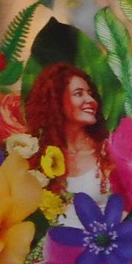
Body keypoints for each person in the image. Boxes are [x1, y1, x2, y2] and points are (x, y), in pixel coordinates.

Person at [25, 63, 110, 197]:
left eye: (90, 94)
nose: (90, 100)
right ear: (56, 100)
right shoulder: (36, 156)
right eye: (78, 93)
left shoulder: (108, 152)